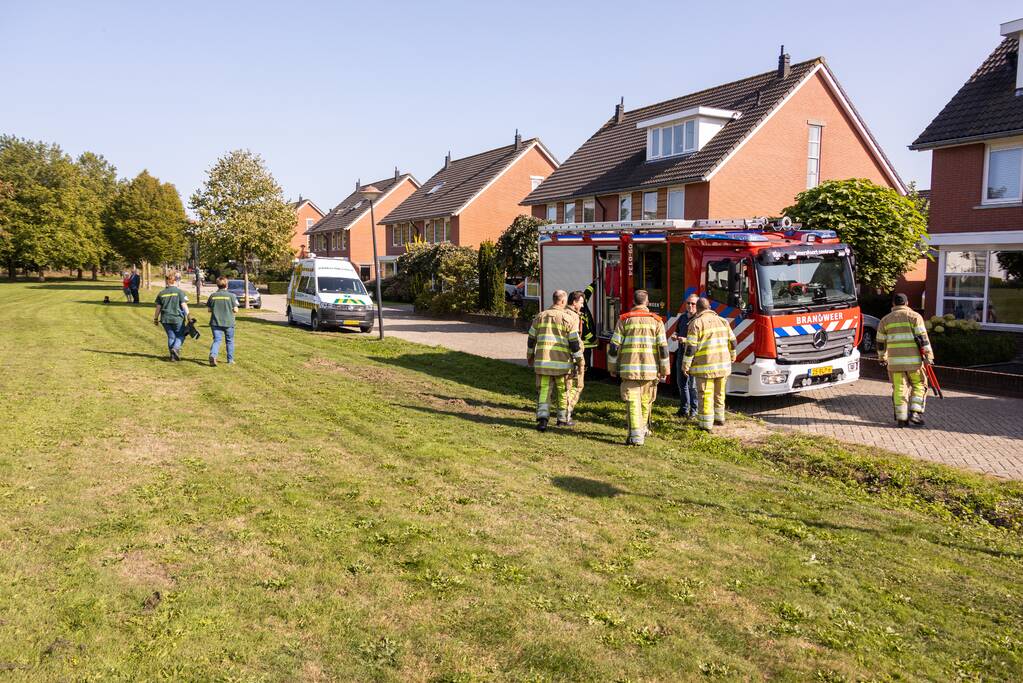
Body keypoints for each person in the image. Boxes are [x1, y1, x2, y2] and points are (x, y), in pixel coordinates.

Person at [607, 290, 669, 446]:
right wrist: (665, 370)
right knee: (645, 401)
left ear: (633, 302)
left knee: (633, 401)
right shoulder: (657, 321)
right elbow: (663, 348)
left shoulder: (624, 320)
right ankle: (641, 431)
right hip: (651, 370)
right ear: (647, 302)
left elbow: (614, 346)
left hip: (629, 369)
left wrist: (612, 366)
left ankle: (636, 436)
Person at [527, 289, 583, 432]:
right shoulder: (568, 319)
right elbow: (574, 344)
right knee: (563, 391)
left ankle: (542, 420)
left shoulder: (540, 316)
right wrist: (579, 361)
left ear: (553, 300)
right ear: (563, 301)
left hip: (543, 363)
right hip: (562, 364)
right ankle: (562, 420)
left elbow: (531, 338)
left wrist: (530, 356)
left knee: (544, 390)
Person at [876, 293, 933, 427]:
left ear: (893, 304)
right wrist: (928, 356)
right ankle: (915, 413)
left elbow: (880, 342)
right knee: (919, 385)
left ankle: (902, 418)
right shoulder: (915, 317)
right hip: (914, 363)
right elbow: (923, 338)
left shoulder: (885, 320)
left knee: (899, 389)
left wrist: (882, 357)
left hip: (895, 364)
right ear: (907, 303)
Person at [682, 297, 736, 432]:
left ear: (698, 309)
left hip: (705, 367)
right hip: (723, 365)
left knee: (706, 394)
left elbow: (691, 348)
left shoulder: (696, 323)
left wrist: (685, 365)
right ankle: (720, 418)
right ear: (709, 307)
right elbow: (733, 341)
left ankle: (705, 425)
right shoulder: (723, 321)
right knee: (719, 393)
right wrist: (733, 355)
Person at [670, 293, 700, 418]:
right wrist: (675, 335)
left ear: (697, 306)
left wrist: (685, 340)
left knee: (692, 386)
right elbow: (677, 330)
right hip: (681, 353)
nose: (690, 306)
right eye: (688, 303)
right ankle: (683, 409)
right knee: (681, 384)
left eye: (693, 304)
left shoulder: (698, 320)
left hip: (693, 356)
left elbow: (700, 341)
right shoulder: (682, 317)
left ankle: (694, 411)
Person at [153, 274, 190, 361]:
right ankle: (176, 348)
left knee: (171, 337)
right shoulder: (179, 292)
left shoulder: (161, 293)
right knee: (181, 335)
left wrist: (155, 318)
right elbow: (184, 305)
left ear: (166, 281)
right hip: (177, 318)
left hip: (165, 319)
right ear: (175, 281)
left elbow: (158, 308)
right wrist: (188, 316)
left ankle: (172, 356)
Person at [207, 276, 239, 367]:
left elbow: (209, 310)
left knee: (217, 340)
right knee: (229, 341)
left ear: (217, 285)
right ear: (226, 285)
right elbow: (236, 310)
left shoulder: (212, 296)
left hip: (215, 322)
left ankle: (213, 355)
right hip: (229, 322)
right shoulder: (231, 296)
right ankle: (230, 360)